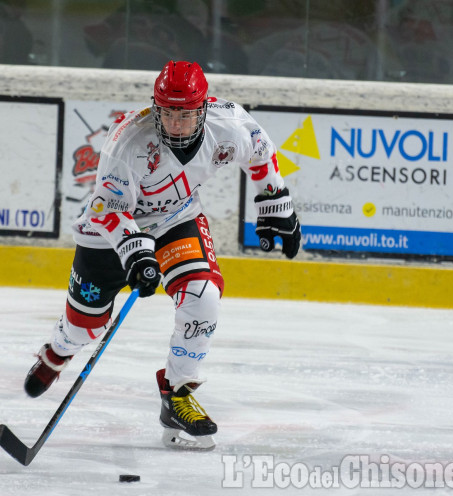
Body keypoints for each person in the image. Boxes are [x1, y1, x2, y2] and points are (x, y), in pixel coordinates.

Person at [24, 61, 301, 450]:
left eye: (185, 114)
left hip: (177, 220)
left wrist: (275, 202)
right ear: (156, 107)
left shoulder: (229, 125)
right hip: (108, 236)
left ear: (203, 108)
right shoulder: (127, 141)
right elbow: (107, 209)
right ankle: (57, 350)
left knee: (203, 296)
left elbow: (261, 152)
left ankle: (177, 393)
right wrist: (137, 254)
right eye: (167, 112)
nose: (175, 123)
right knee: (84, 327)